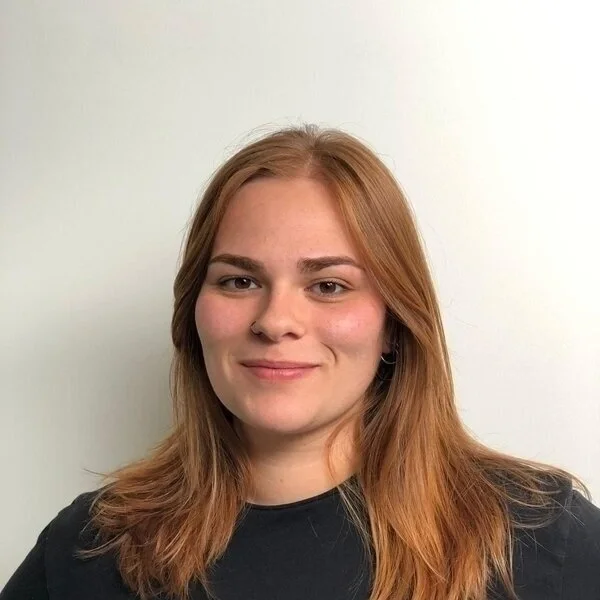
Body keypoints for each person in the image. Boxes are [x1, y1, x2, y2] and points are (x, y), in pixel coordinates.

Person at [2, 124, 599, 600]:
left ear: (394, 324)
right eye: (239, 280)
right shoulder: (91, 548)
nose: (275, 320)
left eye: (329, 286)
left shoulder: (539, 536)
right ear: (193, 313)